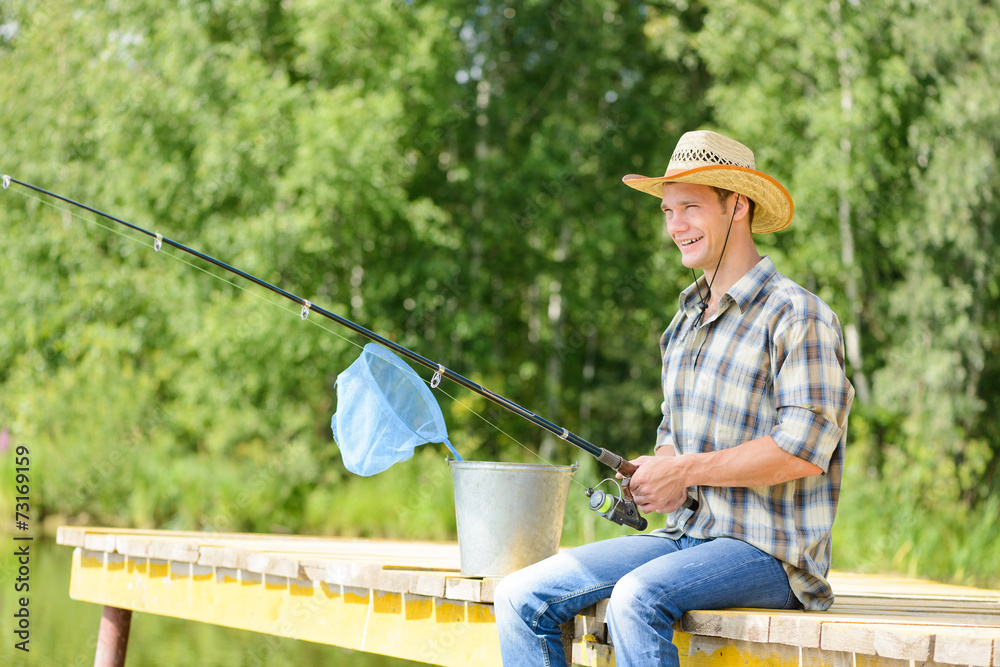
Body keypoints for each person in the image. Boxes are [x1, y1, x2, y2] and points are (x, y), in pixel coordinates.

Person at [493, 130, 855, 666]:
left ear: (737, 206)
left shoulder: (797, 314)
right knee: (519, 596)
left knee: (636, 600)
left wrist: (685, 471)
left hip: (769, 556)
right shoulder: (682, 325)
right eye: (667, 210)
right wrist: (658, 478)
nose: (676, 226)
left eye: (690, 207)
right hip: (684, 537)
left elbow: (800, 451)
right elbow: (673, 444)